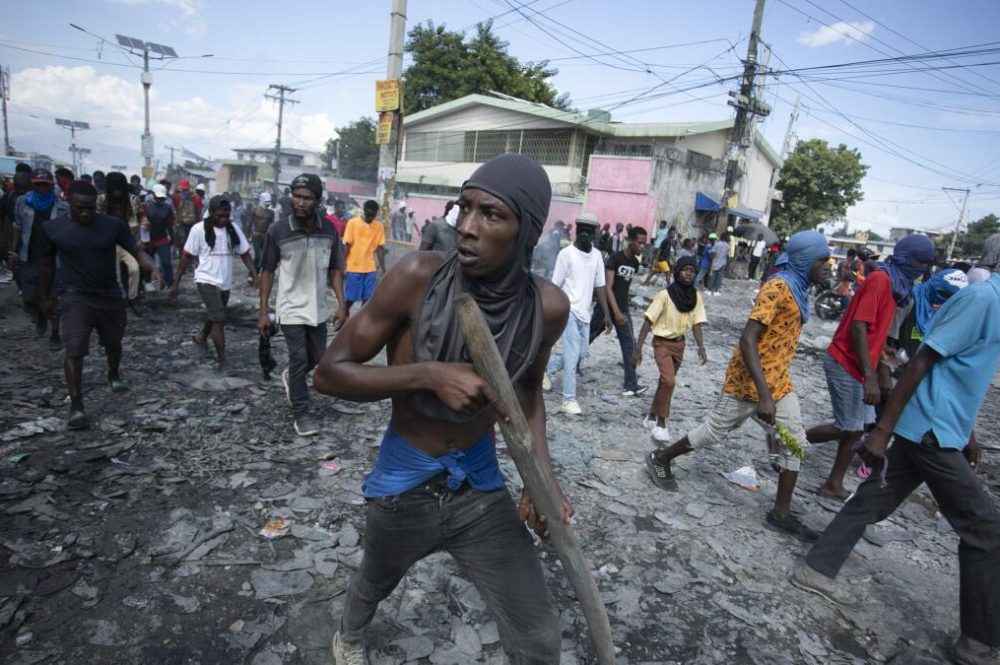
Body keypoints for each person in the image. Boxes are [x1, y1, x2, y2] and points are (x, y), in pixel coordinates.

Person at [313, 153, 571, 665]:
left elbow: (528, 396)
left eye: (491, 215)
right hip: (404, 483)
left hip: (479, 485)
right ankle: (350, 636)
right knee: (375, 579)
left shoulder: (547, 307)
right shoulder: (417, 276)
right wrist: (426, 375)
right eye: (465, 209)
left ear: (528, 231)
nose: (467, 229)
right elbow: (328, 373)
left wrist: (543, 483)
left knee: (540, 639)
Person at [792, 264, 1000, 665]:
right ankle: (979, 641)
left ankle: (816, 568)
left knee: (872, 499)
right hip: (930, 431)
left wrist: (967, 433)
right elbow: (921, 362)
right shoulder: (981, 299)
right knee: (986, 531)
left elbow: (960, 375)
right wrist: (881, 432)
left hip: (941, 427)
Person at [645, 231, 832, 541]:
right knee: (715, 430)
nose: (827, 266)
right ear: (805, 260)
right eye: (822, 260)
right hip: (750, 380)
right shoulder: (777, 287)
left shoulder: (798, 289)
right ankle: (661, 458)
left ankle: (780, 514)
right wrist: (763, 395)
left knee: (795, 440)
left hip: (779, 380)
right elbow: (748, 339)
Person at [805, 234, 935, 500]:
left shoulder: (899, 288)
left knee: (858, 426)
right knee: (847, 426)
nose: (923, 269)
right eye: (921, 262)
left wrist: (885, 362)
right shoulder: (881, 280)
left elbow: (876, 331)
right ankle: (789, 440)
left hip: (861, 363)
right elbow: (858, 326)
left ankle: (834, 482)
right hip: (845, 360)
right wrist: (870, 376)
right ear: (907, 258)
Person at [38, 181, 160, 429]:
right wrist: (46, 296)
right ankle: (76, 405)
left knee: (113, 343)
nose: (85, 212)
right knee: (75, 349)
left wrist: (151, 267)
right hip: (75, 296)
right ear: (67, 202)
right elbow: (47, 264)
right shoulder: (53, 228)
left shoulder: (111, 225)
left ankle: (113, 372)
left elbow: (134, 250)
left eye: (90, 208)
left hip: (109, 296)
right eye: (80, 207)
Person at [258, 173, 347, 436]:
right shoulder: (278, 230)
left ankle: (291, 377)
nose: (300, 202)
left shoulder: (329, 229)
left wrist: (342, 305)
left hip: (317, 307)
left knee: (317, 357)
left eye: (307, 198)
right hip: (290, 307)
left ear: (318, 201)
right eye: (296, 196)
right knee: (298, 357)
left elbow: (335, 269)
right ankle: (301, 413)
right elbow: (267, 272)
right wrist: (264, 311)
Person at [171, 196, 257, 370]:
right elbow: (186, 257)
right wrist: (175, 284)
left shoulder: (232, 229)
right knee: (219, 317)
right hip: (205, 279)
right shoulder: (198, 229)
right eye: (219, 216)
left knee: (216, 313)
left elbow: (245, 253)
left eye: (226, 216)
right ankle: (222, 361)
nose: (223, 220)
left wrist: (254, 274)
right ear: (210, 213)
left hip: (224, 281)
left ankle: (201, 337)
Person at [632, 255, 707, 442]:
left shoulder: (695, 297)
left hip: (679, 344)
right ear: (677, 272)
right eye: (685, 270)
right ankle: (661, 423)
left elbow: (697, 323)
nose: (689, 274)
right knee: (670, 381)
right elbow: (648, 320)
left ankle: (650, 416)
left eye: (692, 271)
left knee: (664, 383)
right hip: (662, 343)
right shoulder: (665, 295)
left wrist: (701, 346)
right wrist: (638, 347)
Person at [543, 212, 611, 415]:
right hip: (569, 312)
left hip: (585, 313)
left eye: (589, 232)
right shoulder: (566, 255)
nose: (585, 235)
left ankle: (547, 367)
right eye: (582, 231)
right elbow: (555, 286)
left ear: (594, 234)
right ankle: (568, 400)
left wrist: (606, 313)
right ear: (577, 231)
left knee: (581, 353)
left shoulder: (597, 256)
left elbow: (600, 286)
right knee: (572, 358)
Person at [590, 225, 647, 397]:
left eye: (644, 243)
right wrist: (615, 311)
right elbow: (608, 287)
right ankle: (558, 367)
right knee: (586, 339)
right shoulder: (615, 259)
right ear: (630, 241)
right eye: (639, 243)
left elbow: (624, 289)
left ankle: (630, 384)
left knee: (629, 344)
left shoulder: (635, 263)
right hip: (605, 310)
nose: (642, 246)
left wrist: (621, 311)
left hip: (622, 310)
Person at [13, 169, 70, 342]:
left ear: (51, 185)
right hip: (29, 257)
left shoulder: (62, 207)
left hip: (54, 260)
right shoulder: (22, 202)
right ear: (32, 184)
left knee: (54, 297)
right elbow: (17, 227)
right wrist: (13, 251)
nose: (41, 188)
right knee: (30, 297)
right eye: (37, 185)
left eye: (44, 185)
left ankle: (54, 333)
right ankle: (40, 313)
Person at [342, 200, 386, 315]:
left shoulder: (379, 227)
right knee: (351, 298)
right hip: (354, 267)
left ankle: (359, 320)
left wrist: (383, 268)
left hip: (370, 268)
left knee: (367, 299)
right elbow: (347, 245)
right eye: (368, 214)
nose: (370, 217)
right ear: (364, 210)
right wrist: (341, 264)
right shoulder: (352, 223)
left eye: (373, 215)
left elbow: (380, 248)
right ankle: (344, 313)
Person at [139, 184, 175, 289]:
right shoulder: (144, 206)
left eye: (161, 198)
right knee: (147, 264)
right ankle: (147, 283)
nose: (159, 200)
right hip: (148, 239)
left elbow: (169, 224)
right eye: (157, 197)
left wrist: (172, 237)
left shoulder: (167, 208)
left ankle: (170, 284)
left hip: (162, 239)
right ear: (153, 195)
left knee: (166, 262)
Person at [172, 179, 202, 254]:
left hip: (193, 224)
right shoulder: (178, 198)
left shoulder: (196, 198)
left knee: (191, 242)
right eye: (183, 189)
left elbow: (199, 212)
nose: (184, 191)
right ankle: (183, 256)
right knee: (183, 241)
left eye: (184, 189)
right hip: (183, 224)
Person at [249, 192, 275, 270]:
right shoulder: (255, 210)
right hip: (256, 235)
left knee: (264, 257)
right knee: (258, 256)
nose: (267, 204)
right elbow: (249, 223)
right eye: (266, 202)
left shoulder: (271, 212)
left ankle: (256, 273)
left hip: (265, 236)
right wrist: (246, 237)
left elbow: (271, 225)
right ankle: (252, 273)